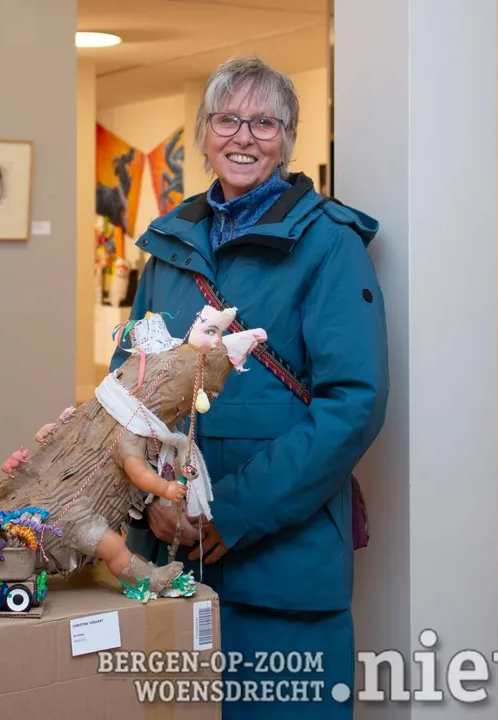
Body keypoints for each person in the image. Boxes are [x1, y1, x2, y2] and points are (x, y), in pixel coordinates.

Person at [109, 57, 389, 719]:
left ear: (288, 139)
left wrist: (229, 514)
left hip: (279, 563)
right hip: (170, 553)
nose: (244, 136)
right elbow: (131, 387)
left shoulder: (330, 246)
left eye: (265, 122)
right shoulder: (170, 249)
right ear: (205, 134)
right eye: (228, 119)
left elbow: (353, 406)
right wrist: (149, 497)